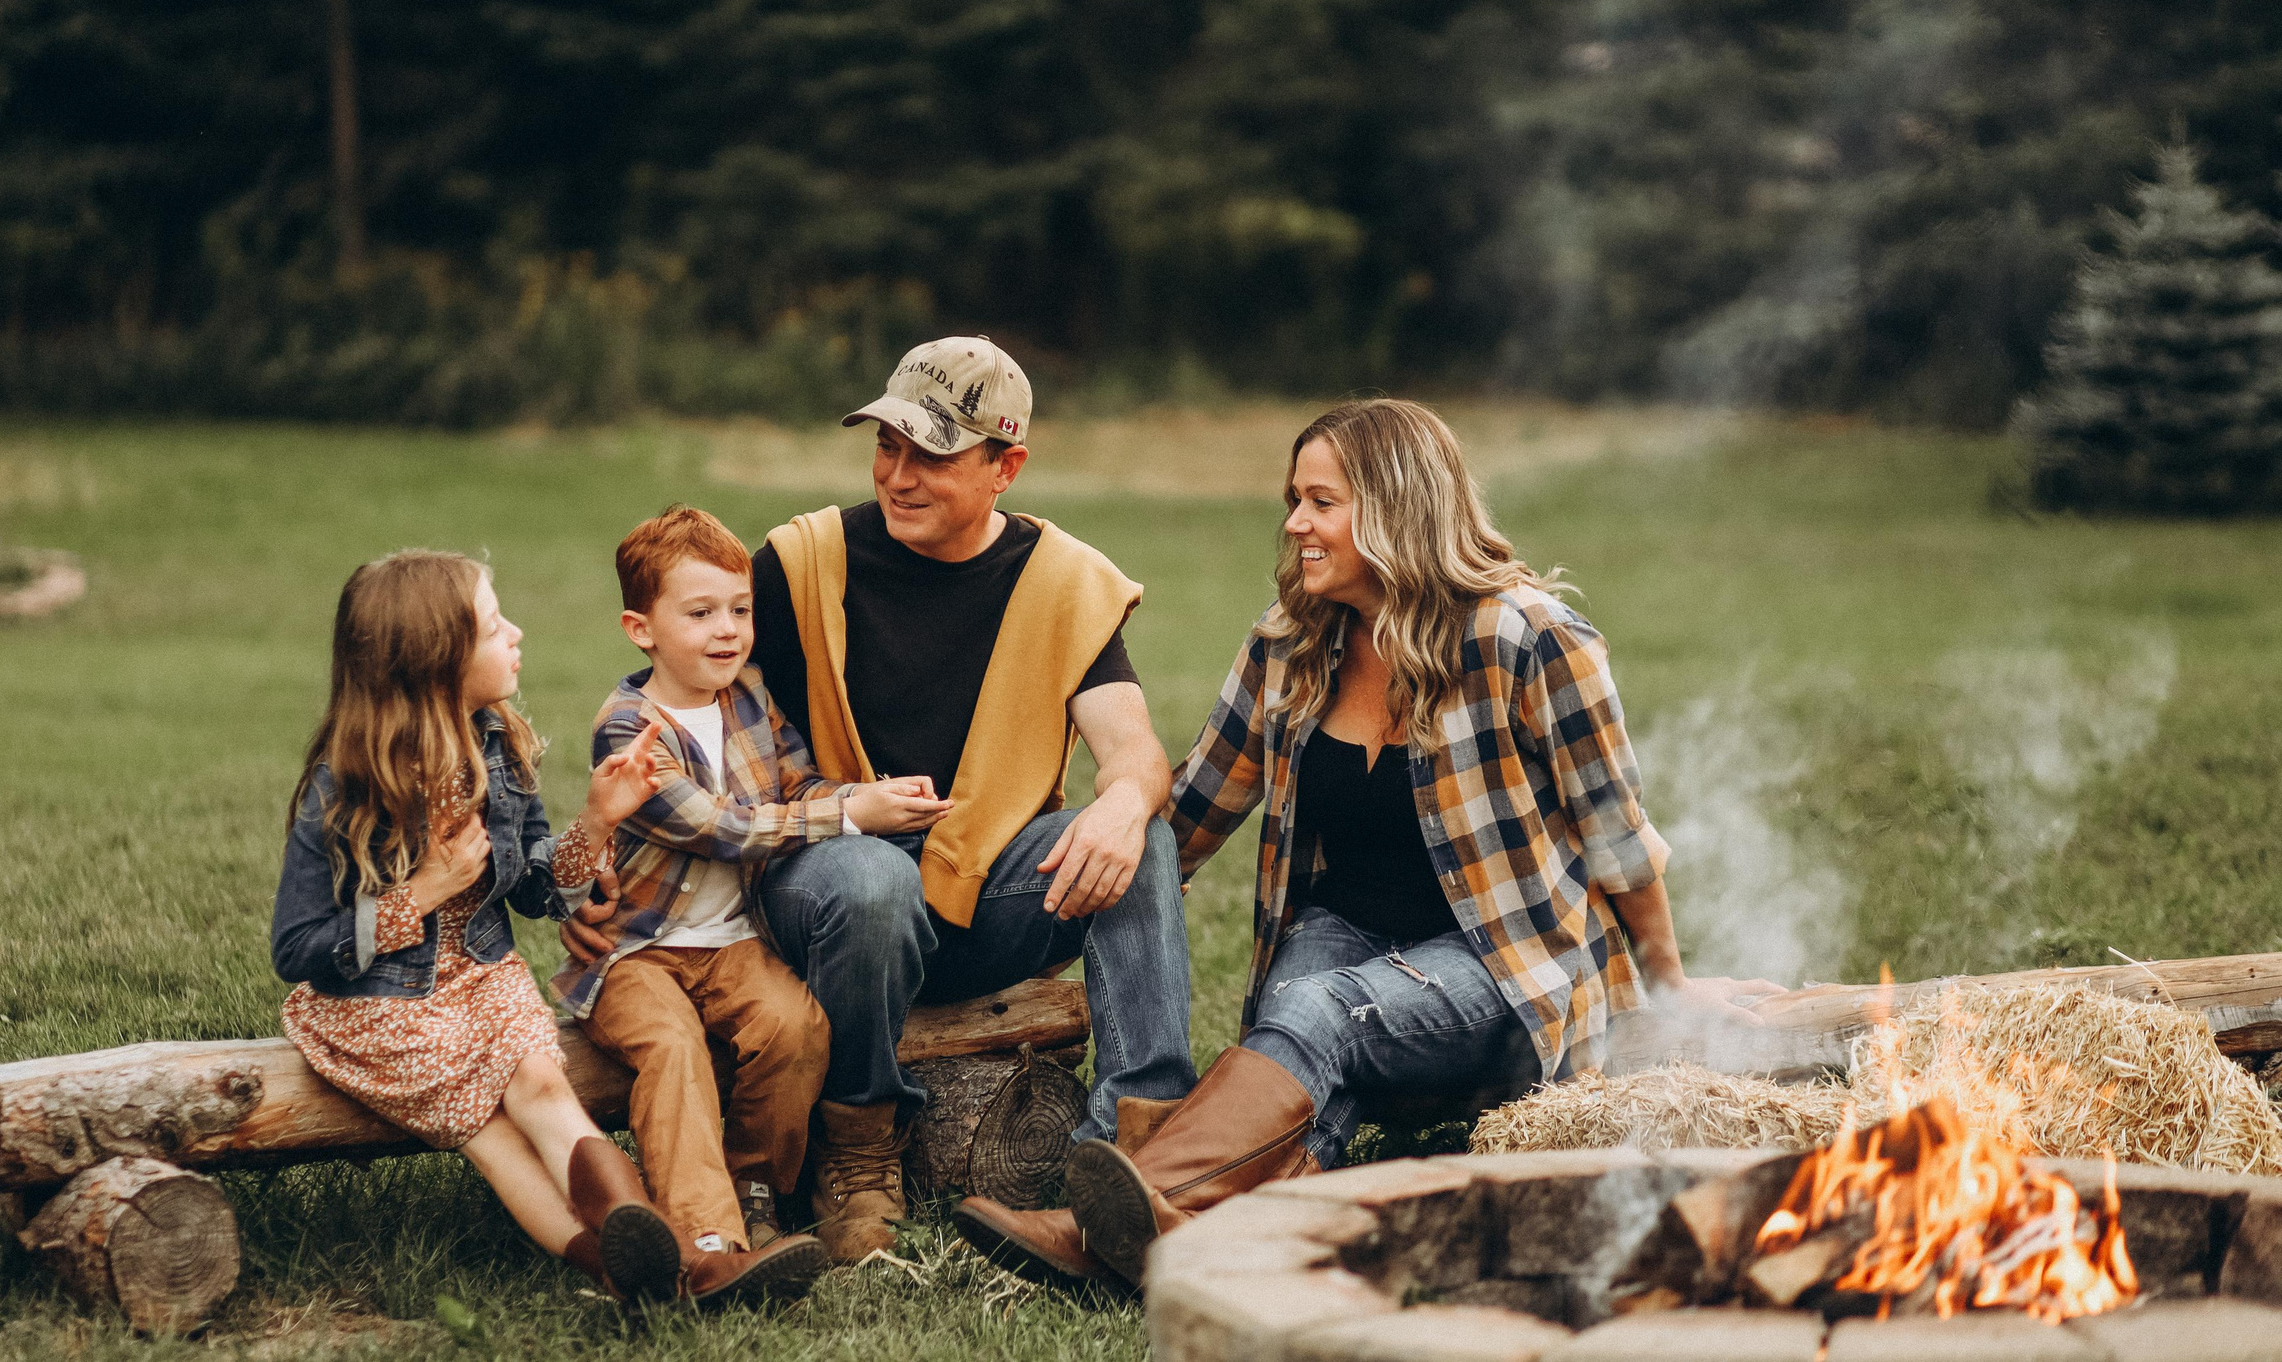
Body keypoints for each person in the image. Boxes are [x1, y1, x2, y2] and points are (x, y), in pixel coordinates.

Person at [961, 399, 1782, 1291]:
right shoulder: (1289, 644)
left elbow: (1616, 834)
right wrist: (1092, 854)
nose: (1295, 524)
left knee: (1317, 1013)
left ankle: (1099, 1222)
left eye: (1321, 502)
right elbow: (1187, 817)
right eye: (1294, 499)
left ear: (1396, 508)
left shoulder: (1526, 637)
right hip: (1350, 933)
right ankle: (1198, 1231)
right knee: (1300, 1007)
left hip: (1506, 965)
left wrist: (1669, 986)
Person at [568, 336, 1195, 1263]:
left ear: (1004, 466)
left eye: (933, 455)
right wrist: (602, 875)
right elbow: (671, 698)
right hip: (822, 900)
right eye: (887, 445)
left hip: (984, 894)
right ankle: (860, 1152)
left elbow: (1134, 748)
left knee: (1147, 845)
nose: (898, 476)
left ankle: (1145, 1165)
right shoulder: (801, 561)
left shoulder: (1064, 581)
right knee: (869, 879)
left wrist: (1124, 801)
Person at [270, 550, 685, 1304]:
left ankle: (644, 1236)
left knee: (541, 1085)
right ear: (436, 662)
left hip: (482, 976)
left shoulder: (496, 744)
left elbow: (533, 893)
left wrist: (596, 820)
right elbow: (295, 948)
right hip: (380, 1009)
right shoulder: (345, 783)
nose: (518, 633)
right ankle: (615, 1267)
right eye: (496, 626)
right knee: (492, 1133)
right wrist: (421, 893)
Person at [558, 507, 949, 1302]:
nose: (727, 629)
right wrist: (850, 817)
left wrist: (864, 796)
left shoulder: (749, 704)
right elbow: (717, 827)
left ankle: (757, 1196)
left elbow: (797, 790)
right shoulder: (630, 727)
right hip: (636, 950)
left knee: (794, 1025)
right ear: (642, 627)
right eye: (699, 613)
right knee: (674, 1050)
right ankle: (706, 1245)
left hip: (730, 941)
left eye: (739, 609)